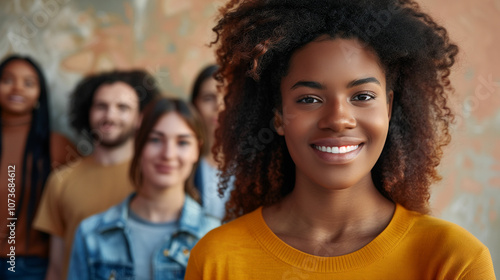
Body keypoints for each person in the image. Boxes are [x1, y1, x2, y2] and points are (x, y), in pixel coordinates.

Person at [185, 0, 496, 279]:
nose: (337, 119)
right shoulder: (218, 260)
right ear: (278, 116)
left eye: (361, 96)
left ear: (387, 107)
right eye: (309, 99)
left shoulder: (454, 262)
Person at [67, 98, 220, 280]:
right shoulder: (91, 234)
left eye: (182, 142)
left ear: (197, 149)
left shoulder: (213, 235)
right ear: (138, 145)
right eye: (155, 140)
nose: (168, 154)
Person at [34, 70, 159, 279]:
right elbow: (56, 267)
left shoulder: (156, 178)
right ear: (88, 112)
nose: (110, 115)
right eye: (101, 106)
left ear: (140, 117)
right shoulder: (61, 180)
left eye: (122, 107)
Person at [0, 55, 76, 279]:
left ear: (39, 94)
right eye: (7, 80)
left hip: (28, 266)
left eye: (28, 83)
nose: (17, 88)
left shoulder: (58, 146)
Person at [190, 65, 232, 219]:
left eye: (228, 97)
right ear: (194, 105)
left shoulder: (257, 164)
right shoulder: (181, 161)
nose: (219, 106)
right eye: (208, 98)